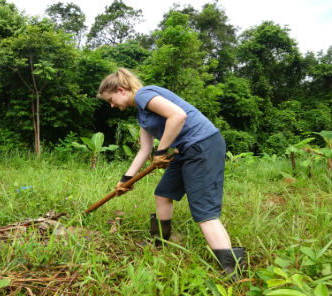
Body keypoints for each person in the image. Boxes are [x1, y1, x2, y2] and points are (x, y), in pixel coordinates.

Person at [97, 68, 245, 277]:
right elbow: (144, 150)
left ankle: (234, 271)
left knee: (204, 212)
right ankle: (160, 242)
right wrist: (126, 180)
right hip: (183, 150)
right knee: (163, 193)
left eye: (111, 100)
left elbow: (178, 115)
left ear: (121, 90)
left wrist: (162, 150)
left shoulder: (144, 94)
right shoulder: (142, 114)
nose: (112, 105)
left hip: (203, 145)